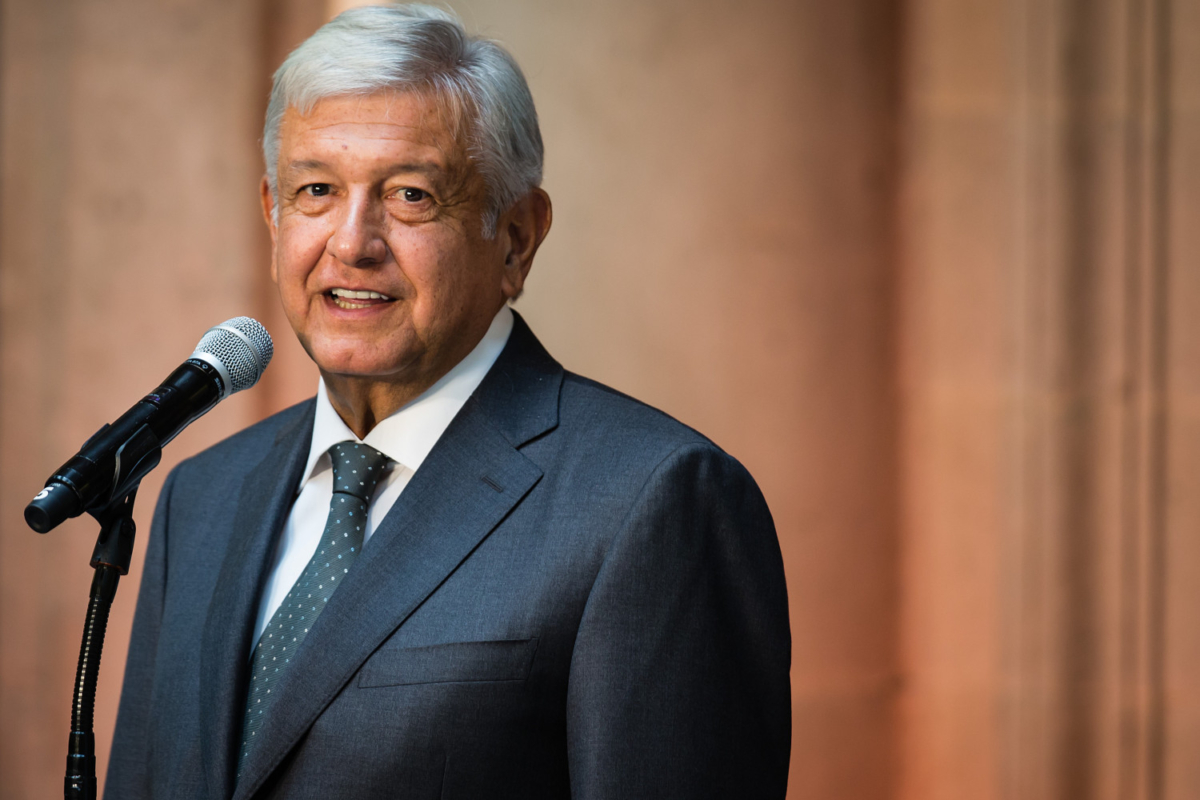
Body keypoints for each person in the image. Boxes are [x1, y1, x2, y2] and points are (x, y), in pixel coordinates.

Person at [106, 5, 791, 798]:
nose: (352, 242)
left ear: (517, 238)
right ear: (273, 213)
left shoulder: (653, 502)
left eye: (410, 196)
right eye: (317, 189)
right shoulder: (201, 496)